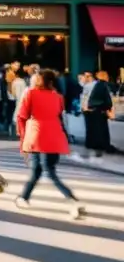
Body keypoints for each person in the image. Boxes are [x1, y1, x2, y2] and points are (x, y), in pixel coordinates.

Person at [16, 68, 84, 220]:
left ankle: (72, 199)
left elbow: (21, 117)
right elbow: (60, 118)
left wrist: (22, 140)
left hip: (36, 136)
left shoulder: (31, 94)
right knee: (40, 170)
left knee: (45, 170)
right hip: (53, 137)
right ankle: (24, 197)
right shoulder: (58, 97)